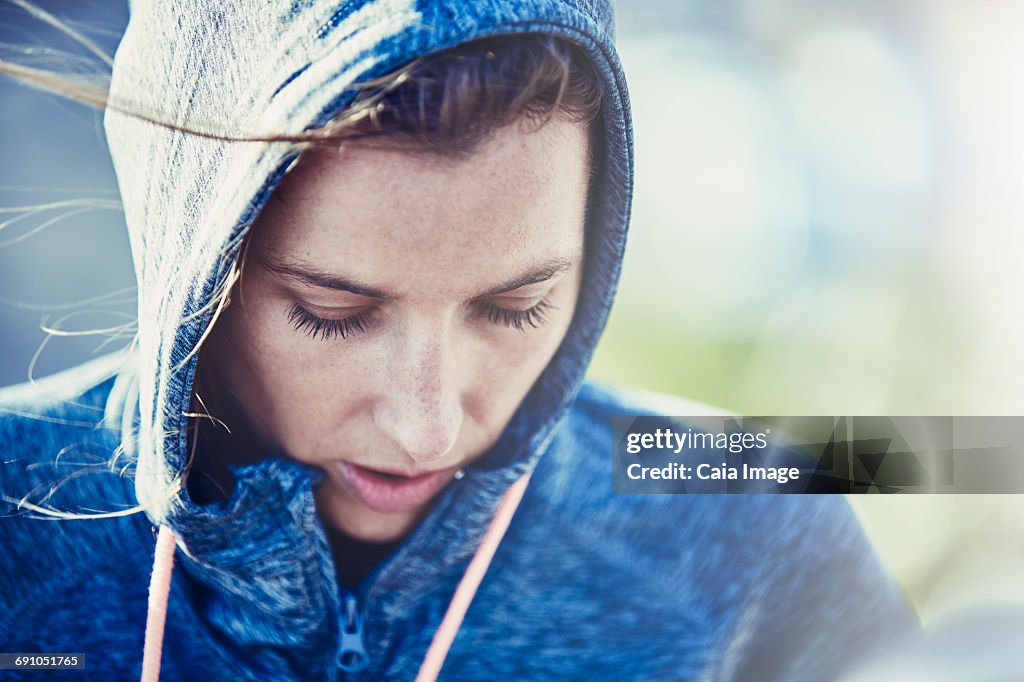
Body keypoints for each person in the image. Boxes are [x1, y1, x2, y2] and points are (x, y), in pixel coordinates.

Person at [0, 0, 918, 679]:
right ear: (196, 252)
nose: (428, 429)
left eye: (515, 308)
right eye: (334, 311)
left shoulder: (757, 520)